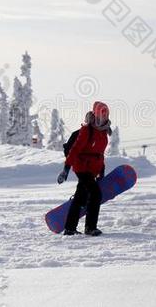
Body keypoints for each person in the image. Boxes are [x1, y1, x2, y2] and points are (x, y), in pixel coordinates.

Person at [61, 101, 112, 236]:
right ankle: (90, 227)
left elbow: (100, 154)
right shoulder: (86, 130)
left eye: (105, 116)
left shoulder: (104, 133)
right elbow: (75, 150)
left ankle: (70, 228)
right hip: (81, 167)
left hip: (92, 169)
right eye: (101, 116)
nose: (103, 119)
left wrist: (101, 171)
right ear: (95, 115)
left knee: (80, 196)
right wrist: (66, 168)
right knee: (96, 194)